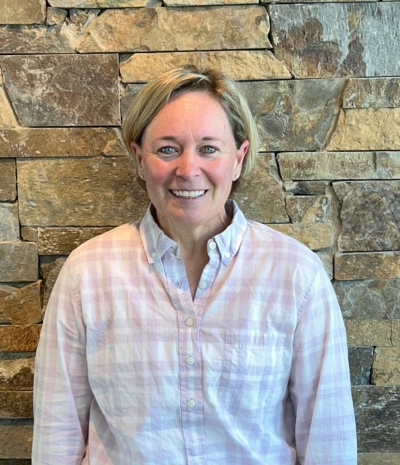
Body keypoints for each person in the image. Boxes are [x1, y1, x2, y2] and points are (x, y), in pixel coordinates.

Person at [32, 67, 357, 464]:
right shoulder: (87, 274)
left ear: (238, 159)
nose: (188, 170)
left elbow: (328, 439)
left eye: (209, 149)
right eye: (167, 149)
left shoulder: (296, 274)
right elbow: (57, 432)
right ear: (139, 159)